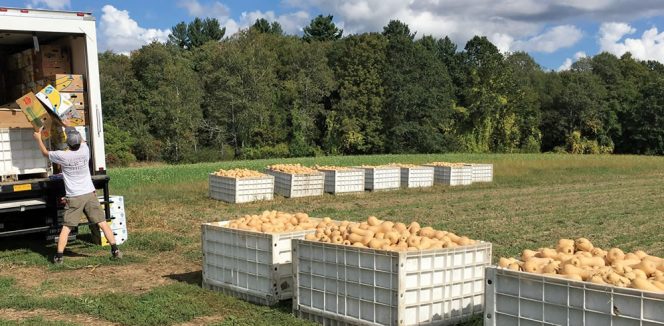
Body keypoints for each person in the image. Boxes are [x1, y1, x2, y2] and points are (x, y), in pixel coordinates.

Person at [33, 126, 122, 264]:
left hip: (74, 197)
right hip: (89, 193)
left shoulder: (63, 156)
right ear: (79, 141)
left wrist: (38, 138)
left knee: (67, 227)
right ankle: (115, 250)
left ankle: (59, 256)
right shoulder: (85, 151)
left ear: (67, 144)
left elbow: (45, 153)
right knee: (103, 223)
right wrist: (68, 124)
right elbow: (83, 141)